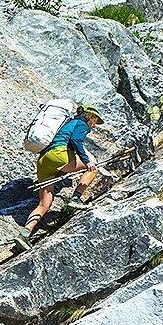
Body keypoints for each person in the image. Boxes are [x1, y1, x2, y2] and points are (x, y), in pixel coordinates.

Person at [24, 102, 103, 238]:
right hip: (59, 154)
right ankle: (76, 198)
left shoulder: (68, 123)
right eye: (95, 120)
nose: (95, 125)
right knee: (93, 168)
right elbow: (75, 140)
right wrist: (86, 160)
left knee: (44, 204)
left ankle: (24, 234)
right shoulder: (82, 124)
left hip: (44, 160)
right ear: (90, 116)